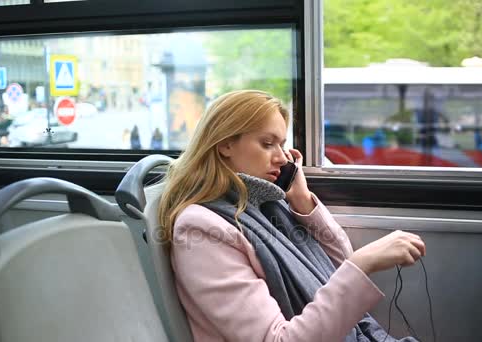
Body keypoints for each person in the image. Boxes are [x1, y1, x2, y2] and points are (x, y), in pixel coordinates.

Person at [158, 90, 426, 341]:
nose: (281, 158)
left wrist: (301, 199)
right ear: (225, 144)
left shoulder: (264, 205)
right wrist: (363, 264)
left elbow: (338, 264)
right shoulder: (201, 229)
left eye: (282, 145)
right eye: (267, 144)